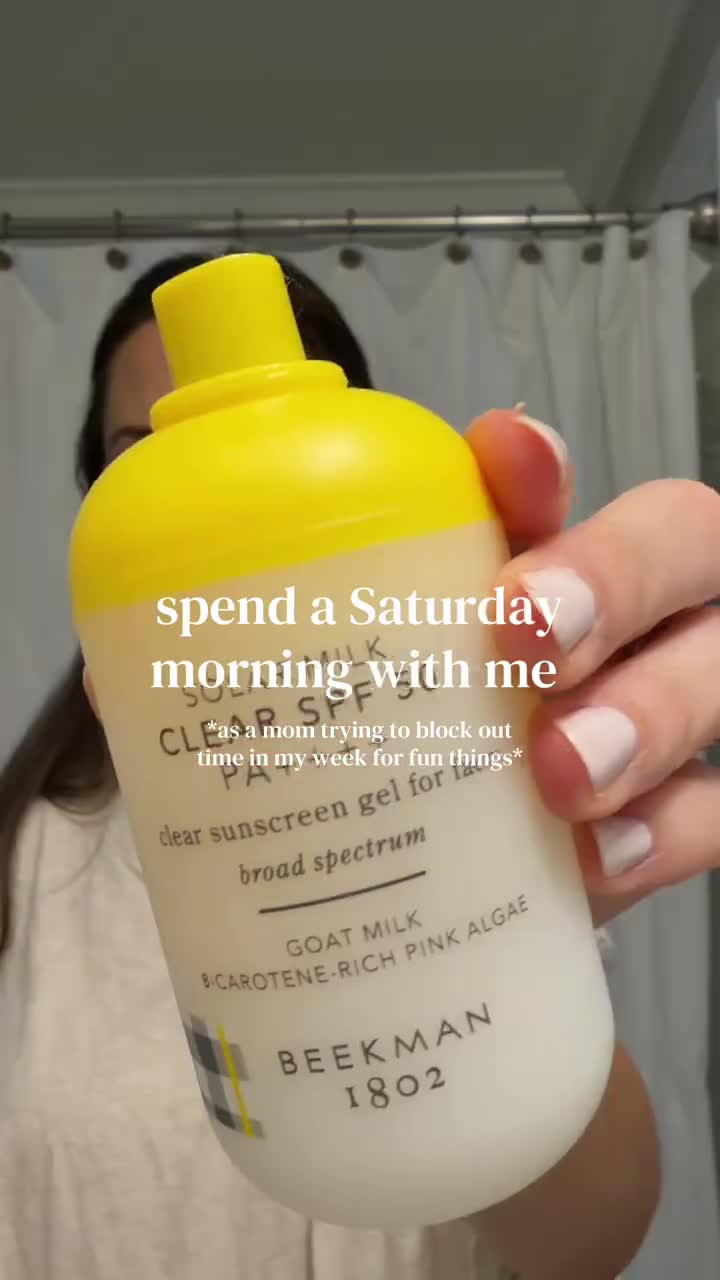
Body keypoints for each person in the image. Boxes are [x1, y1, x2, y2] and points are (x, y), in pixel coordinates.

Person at [12, 245, 720, 1279]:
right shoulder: (29, 853)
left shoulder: (469, 780)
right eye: (142, 451)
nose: (222, 494)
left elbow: (585, 1245)